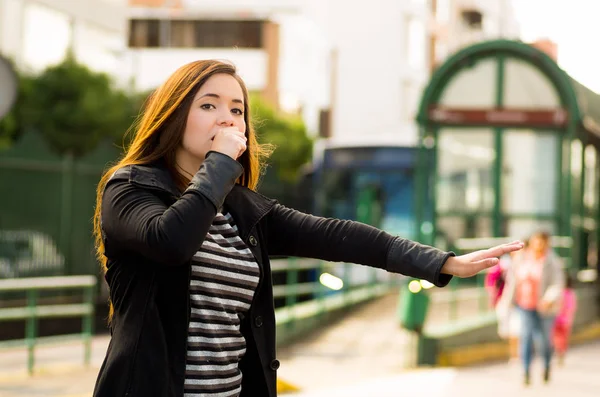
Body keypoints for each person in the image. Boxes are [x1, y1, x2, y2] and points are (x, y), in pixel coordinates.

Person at [91, 60, 524, 397]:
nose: (227, 119)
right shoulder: (130, 188)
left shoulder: (241, 211)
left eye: (237, 110)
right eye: (208, 105)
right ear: (174, 114)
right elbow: (172, 241)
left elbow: (339, 236)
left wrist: (441, 262)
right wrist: (220, 164)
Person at [497, 231, 564, 386]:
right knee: (526, 337)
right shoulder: (521, 258)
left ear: (547, 243)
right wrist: (506, 302)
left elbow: (557, 283)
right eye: (536, 241)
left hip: (545, 308)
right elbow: (512, 282)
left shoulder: (552, 261)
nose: (539, 245)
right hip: (525, 305)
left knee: (543, 341)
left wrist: (549, 298)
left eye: (542, 242)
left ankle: (546, 365)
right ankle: (526, 371)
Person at [552, 271, 577, 365]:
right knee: (557, 338)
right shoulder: (560, 292)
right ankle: (559, 353)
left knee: (562, 339)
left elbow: (571, 307)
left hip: (563, 320)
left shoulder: (568, 293)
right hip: (558, 319)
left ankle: (561, 353)